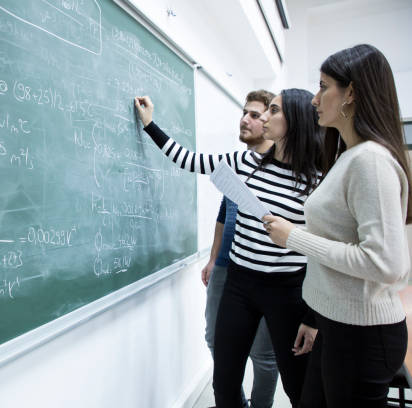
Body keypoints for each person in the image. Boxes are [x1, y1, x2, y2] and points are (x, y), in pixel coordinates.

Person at [135, 88, 323, 408]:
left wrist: (314, 317)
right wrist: (150, 123)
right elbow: (186, 159)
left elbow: (324, 254)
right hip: (240, 284)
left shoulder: (317, 181)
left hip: (288, 292)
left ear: (296, 121)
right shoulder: (244, 161)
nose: (263, 117)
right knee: (224, 381)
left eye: (273, 111)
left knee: (297, 384)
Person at [263, 44, 411, 407]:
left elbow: (386, 264)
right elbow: (338, 238)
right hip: (335, 324)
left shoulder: (370, 162)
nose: (315, 99)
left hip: (363, 335)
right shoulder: (348, 156)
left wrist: (295, 238)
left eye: (323, 86)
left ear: (351, 94)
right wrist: (315, 319)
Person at [202, 90, 279, 408]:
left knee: (262, 354)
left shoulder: (281, 168)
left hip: (261, 271)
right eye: (243, 112)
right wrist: (211, 258)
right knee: (214, 339)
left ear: (270, 122)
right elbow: (224, 213)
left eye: (255, 114)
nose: (245, 119)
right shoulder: (235, 165)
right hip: (224, 266)